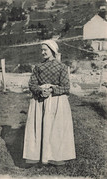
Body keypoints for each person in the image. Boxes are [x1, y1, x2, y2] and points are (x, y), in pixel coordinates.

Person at [23, 39, 76, 168]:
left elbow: (66, 87)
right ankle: (38, 157)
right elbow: (32, 84)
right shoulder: (38, 67)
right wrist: (40, 91)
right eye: (41, 50)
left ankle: (56, 157)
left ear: (52, 51)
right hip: (40, 101)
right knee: (40, 127)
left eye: (45, 50)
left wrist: (52, 89)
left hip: (57, 101)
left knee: (56, 129)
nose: (42, 52)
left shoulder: (62, 67)